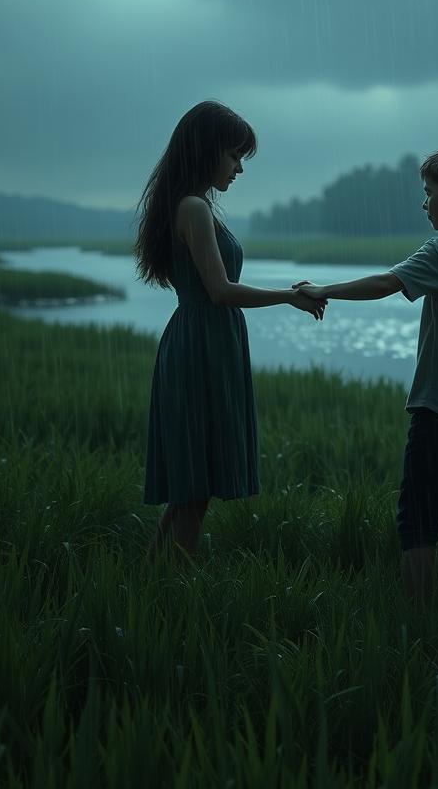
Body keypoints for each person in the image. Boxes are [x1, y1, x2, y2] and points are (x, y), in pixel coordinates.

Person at [296, 143, 438, 605]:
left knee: (418, 520)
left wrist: (322, 289)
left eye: (429, 192)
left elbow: (386, 284)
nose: (425, 203)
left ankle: (419, 622)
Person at [135, 101, 327, 561]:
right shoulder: (194, 209)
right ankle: (181, 586)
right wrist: (287, 296)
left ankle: (151, 573)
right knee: (193, 476)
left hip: (207, 343)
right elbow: (219, 291)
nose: (240, 168)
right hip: (199, 344)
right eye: (234, 155)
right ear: (208, 151)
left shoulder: (195, 206)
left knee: (193, 475)